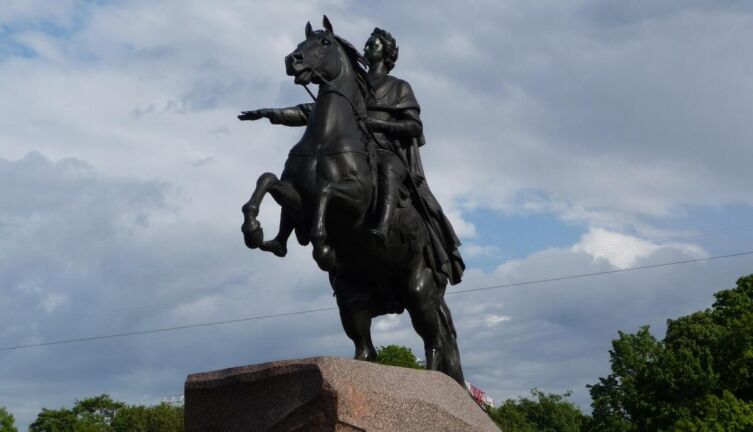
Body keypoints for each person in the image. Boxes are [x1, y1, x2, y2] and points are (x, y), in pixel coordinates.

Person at [239, 27, 464, 285]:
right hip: (352, 145)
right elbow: (311, 111)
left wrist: (380, 124)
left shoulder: (399, 87)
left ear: (387, 53)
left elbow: (414, 126)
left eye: (373, 44)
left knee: (388, 167)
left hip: (383, 148)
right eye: (367, 44)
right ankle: (283, 237)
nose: (367, 47)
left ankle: (382, 225)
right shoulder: (353, 84)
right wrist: (271, 113)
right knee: (303, 167)